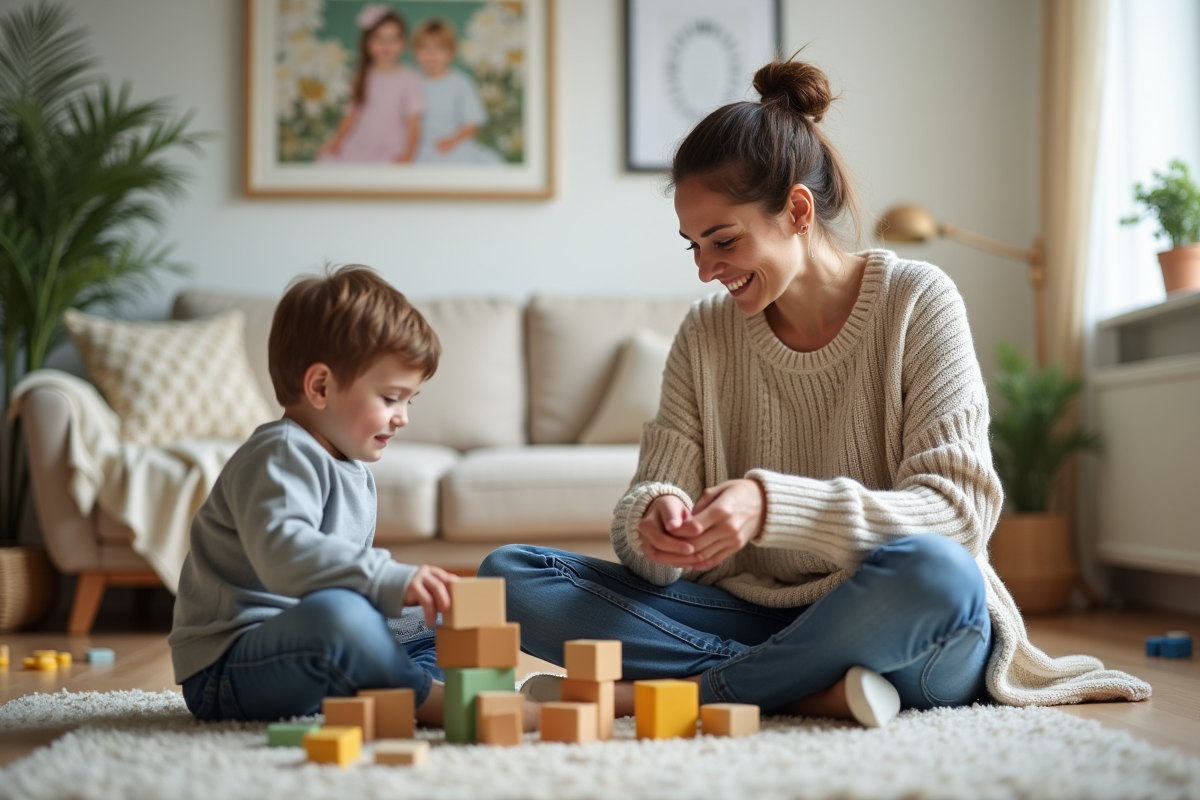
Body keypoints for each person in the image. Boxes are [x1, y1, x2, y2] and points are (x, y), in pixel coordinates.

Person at [480, 58, 1150, 726]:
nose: (707, 269)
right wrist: (657, 525)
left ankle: (694, 693)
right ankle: (805, 687)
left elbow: (959, 513)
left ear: (797, 210)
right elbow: (650, 498)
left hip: (896, 618)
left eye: (723, 240)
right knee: (508, 577)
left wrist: (772, 506)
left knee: (940, 575)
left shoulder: (918, 302)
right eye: (693, 246)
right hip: (748, 616)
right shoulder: (704, 333)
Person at [170, 265, 457, 723]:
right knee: (343, 616)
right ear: (321, 386)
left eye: (409, 400)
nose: (402, 417)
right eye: (390, 398)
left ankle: (395, 687)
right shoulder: (280, 453)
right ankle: (421, 697)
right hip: (228, 669)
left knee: (434, 615)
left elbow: (343, 573)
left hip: (303, 650)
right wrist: (388, 579)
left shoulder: (352, 467)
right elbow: (285, 554)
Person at [319, 5, 424, 164]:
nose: (386, 45)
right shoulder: (360, 75)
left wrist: (409, 154)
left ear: (403, 42)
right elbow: (350, 115)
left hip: (392, 146)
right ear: (367, 42)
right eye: (379, 38)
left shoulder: (410, 77)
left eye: (393, 38)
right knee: (327, 161)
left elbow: (413, 122)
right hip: (361, 142)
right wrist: (336, 141)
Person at [411, 18, 503, 165]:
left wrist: (451, 142)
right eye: (424, 48)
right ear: (415, 52)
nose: (431, 54)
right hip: (417, 148)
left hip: (454, 145)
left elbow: (472, 123)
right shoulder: (411, 81)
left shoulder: (461, 82)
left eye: (439, 48)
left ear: (451, 52)